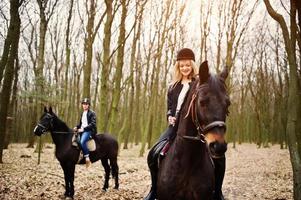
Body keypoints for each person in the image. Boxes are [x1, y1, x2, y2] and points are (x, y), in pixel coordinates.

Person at [144, 48, 198, 200]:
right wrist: (169, 116)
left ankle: (217, 191)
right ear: (178, 67)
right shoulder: (173, 87)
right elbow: (170, 107)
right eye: (182, 66)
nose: (185, 68)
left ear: (192, 65)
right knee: (153, 153)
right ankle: (154, 189)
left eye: (187, 65)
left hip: (195, 129)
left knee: (217, 157)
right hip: (175, 128)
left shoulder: (198, 84)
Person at [73, 98, 97, 168]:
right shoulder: (82, 113)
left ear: (88, 105)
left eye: (86, 104)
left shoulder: (92, 113)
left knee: (82, 141)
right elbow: (81, 123)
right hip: (82, 130)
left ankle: (87, 158)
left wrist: (83, 129)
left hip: (89, 131)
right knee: (74, 139)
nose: (85, 105)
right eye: (83, 104)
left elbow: (93, 124)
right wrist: (77, 127)